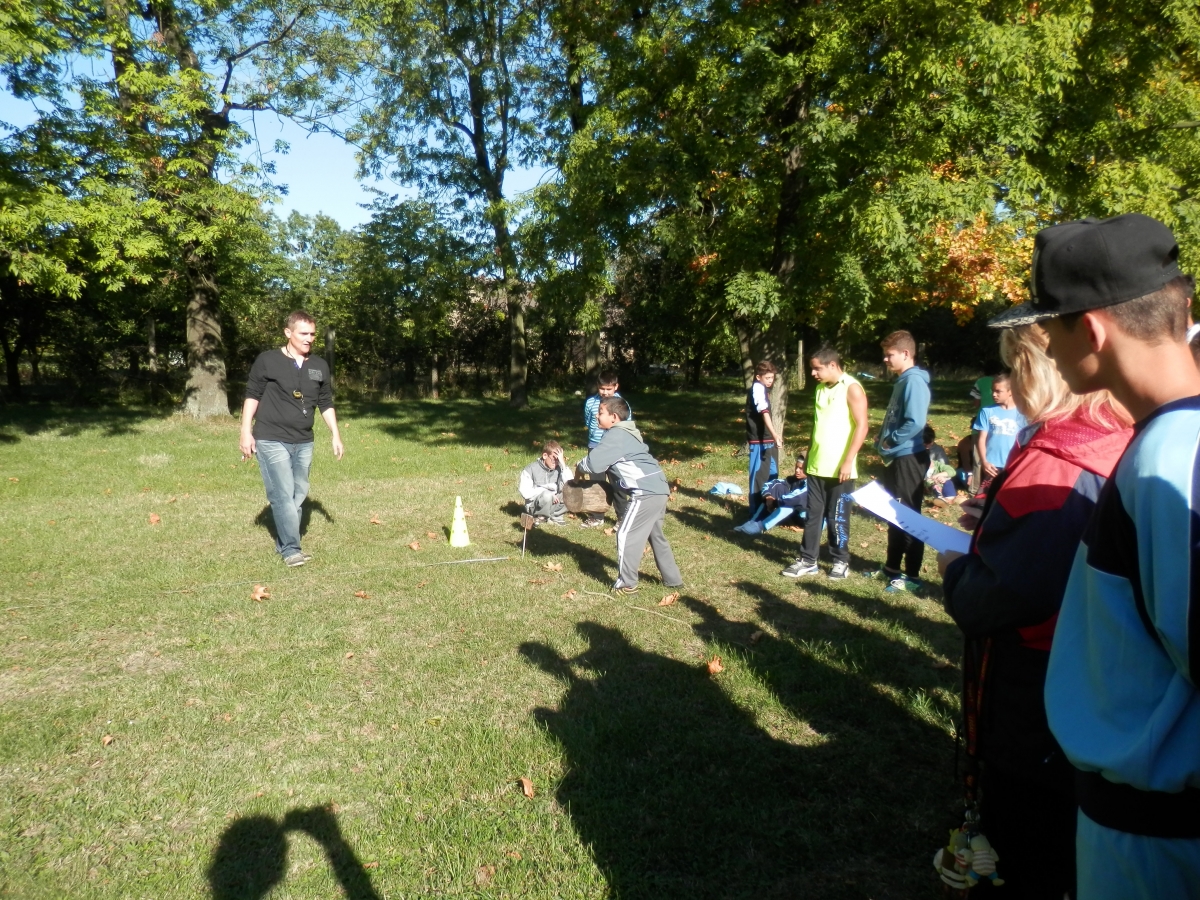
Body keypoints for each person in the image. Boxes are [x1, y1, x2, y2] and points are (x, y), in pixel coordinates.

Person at [990, 213, 1200, 900]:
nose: (1047, 347)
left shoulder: (1173, 457)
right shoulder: (1166, 441)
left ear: (1092, 329)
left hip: (1155, 843)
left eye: (1050, 328)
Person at [938, 324, 1133, 900]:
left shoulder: (1060, 458)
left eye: (1015, 367)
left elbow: (1000, 598)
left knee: (1024, 841)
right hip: (1097, 670)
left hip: (1037, 682)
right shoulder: (1118, 433)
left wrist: (956, 567)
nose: (1009, 383)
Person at [239, 310, 344, 567]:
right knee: (283, 494)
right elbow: (252, 395)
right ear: (288, 333)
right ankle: (291, 549)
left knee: (298, 493)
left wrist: (335, 434)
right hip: (271, 438)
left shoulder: (319, 365)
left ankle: (284, 541)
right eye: (303, 333)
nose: (309, 339)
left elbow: (325, 402)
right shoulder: (268, 360)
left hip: (304, 440)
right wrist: (245, 431)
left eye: (312, 334)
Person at [575, 396, 683, 595]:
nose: (596, 416)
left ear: (614, 417)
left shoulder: (616, 435)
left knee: (625, 534)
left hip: (645, 492)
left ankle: (627, 584)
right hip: (659, 488)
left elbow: (594, 464)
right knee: (655, 535)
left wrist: (579, 467)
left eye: (600, 412)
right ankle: (673, 579)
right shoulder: (627, 433)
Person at [781, 345, 867, 579]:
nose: (813, 373)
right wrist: (807, 456)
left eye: (817, 369)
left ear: (832, 365)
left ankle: (840, 561)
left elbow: (862, 426)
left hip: (840, 469)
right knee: (813, 515)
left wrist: (848, 461)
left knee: (837, 517)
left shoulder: (852, 388)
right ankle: (808, 560)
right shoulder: (820, 389)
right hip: (817, 465)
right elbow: (818, 426)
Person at [872, 330, 931, 593]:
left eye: (890, 354)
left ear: (906, 353)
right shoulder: (902, 380)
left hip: (909, 457)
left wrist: (891, 440)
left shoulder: (914, 381)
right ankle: (892, 568)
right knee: (894, 513)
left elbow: (915, 422)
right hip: (898, 456)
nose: (885, 359)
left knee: (908, 516)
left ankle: (912, 575)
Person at [581, 370, 629, 528]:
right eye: (602, 388)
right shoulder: (590, 403)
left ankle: (622, 517)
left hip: (615, 448)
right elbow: (588, 422)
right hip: (595, 447)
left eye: (609, 389)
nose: (605, 392)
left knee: (619, 484)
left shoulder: (621, 404)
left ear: (616, 387)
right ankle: (597, 516)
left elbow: (627, 425)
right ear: (597, 386)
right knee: (596, 483)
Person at [972, 373, 1027, 490]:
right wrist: (984, 462)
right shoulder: (987, 411)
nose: (993, 394)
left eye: (998, 391)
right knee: (986, 498)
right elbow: (981, 439)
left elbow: (1026, 440)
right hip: (992, 466)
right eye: (992, 391)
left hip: (1014, 464)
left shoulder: (1023, 413)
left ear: (1010, 391)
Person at [745, 361, 784, 518]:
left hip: (768, 441)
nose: (770, 381)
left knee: (773, 474)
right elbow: (764, 411)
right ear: (758, 377)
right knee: (759, 477)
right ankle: (755, 513)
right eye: (767, 377)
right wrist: (775, 434)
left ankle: (770, 508)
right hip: (759, 441)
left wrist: (773, 437)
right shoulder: (757, 389)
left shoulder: (764, 389)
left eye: (772, 377)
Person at [734, 453, 809, 535]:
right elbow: (772, 484)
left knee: (789, 503)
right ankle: (753, 522)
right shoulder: (793, 480)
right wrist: (768, 497)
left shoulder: (812, 484)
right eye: (796, 467)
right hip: (794, 514)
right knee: (777, 487)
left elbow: (796, 499)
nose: (797, 470)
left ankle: (760, 527)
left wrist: (775, 503)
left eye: (801, 468)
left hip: (807, 520)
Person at [518, 441, 567, 526]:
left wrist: (563, 464)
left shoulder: (559, 467)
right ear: (545, 456)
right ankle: (539, 517)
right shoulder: (530, 469)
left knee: (571, 491)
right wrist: (547, 493)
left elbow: (570, 484)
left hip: (554, 503)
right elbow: (525, 493)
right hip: (535, 506)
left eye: (558, 460)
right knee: (547, 495)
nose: (555, 462)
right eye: (553, 459)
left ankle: (555, 516)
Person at [923, 425, 959, 507]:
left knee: (948, 482)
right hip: (930, 484)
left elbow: (950, 470)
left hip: (941, 479)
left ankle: (951, 497)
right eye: (925, 445)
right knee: (934, 486)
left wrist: (941, 475)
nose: (927, 447)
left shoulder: (937, 462)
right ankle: (940, 498)